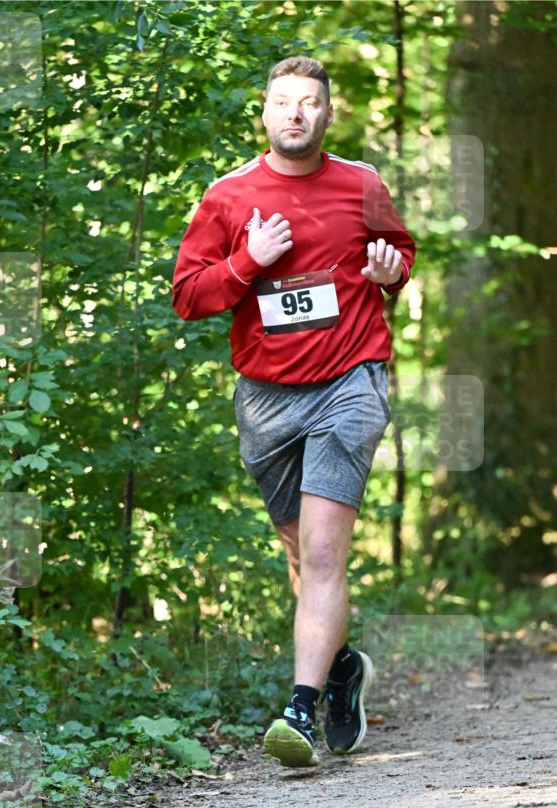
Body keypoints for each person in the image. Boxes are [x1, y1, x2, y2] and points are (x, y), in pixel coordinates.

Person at [172, 55, 416, 767]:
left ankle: (300, 709)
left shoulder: (361, 184)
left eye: (309, 102)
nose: (296, 113)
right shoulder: (228, 196)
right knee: (300, 558)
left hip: (349, 383)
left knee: (320, 551)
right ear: (265, 112)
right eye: (284, 101)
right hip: (268, 400)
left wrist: (388, 273)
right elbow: (189, 297)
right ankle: (342, 670)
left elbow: (398, 256)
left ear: (327, 114)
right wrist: (248, 261)